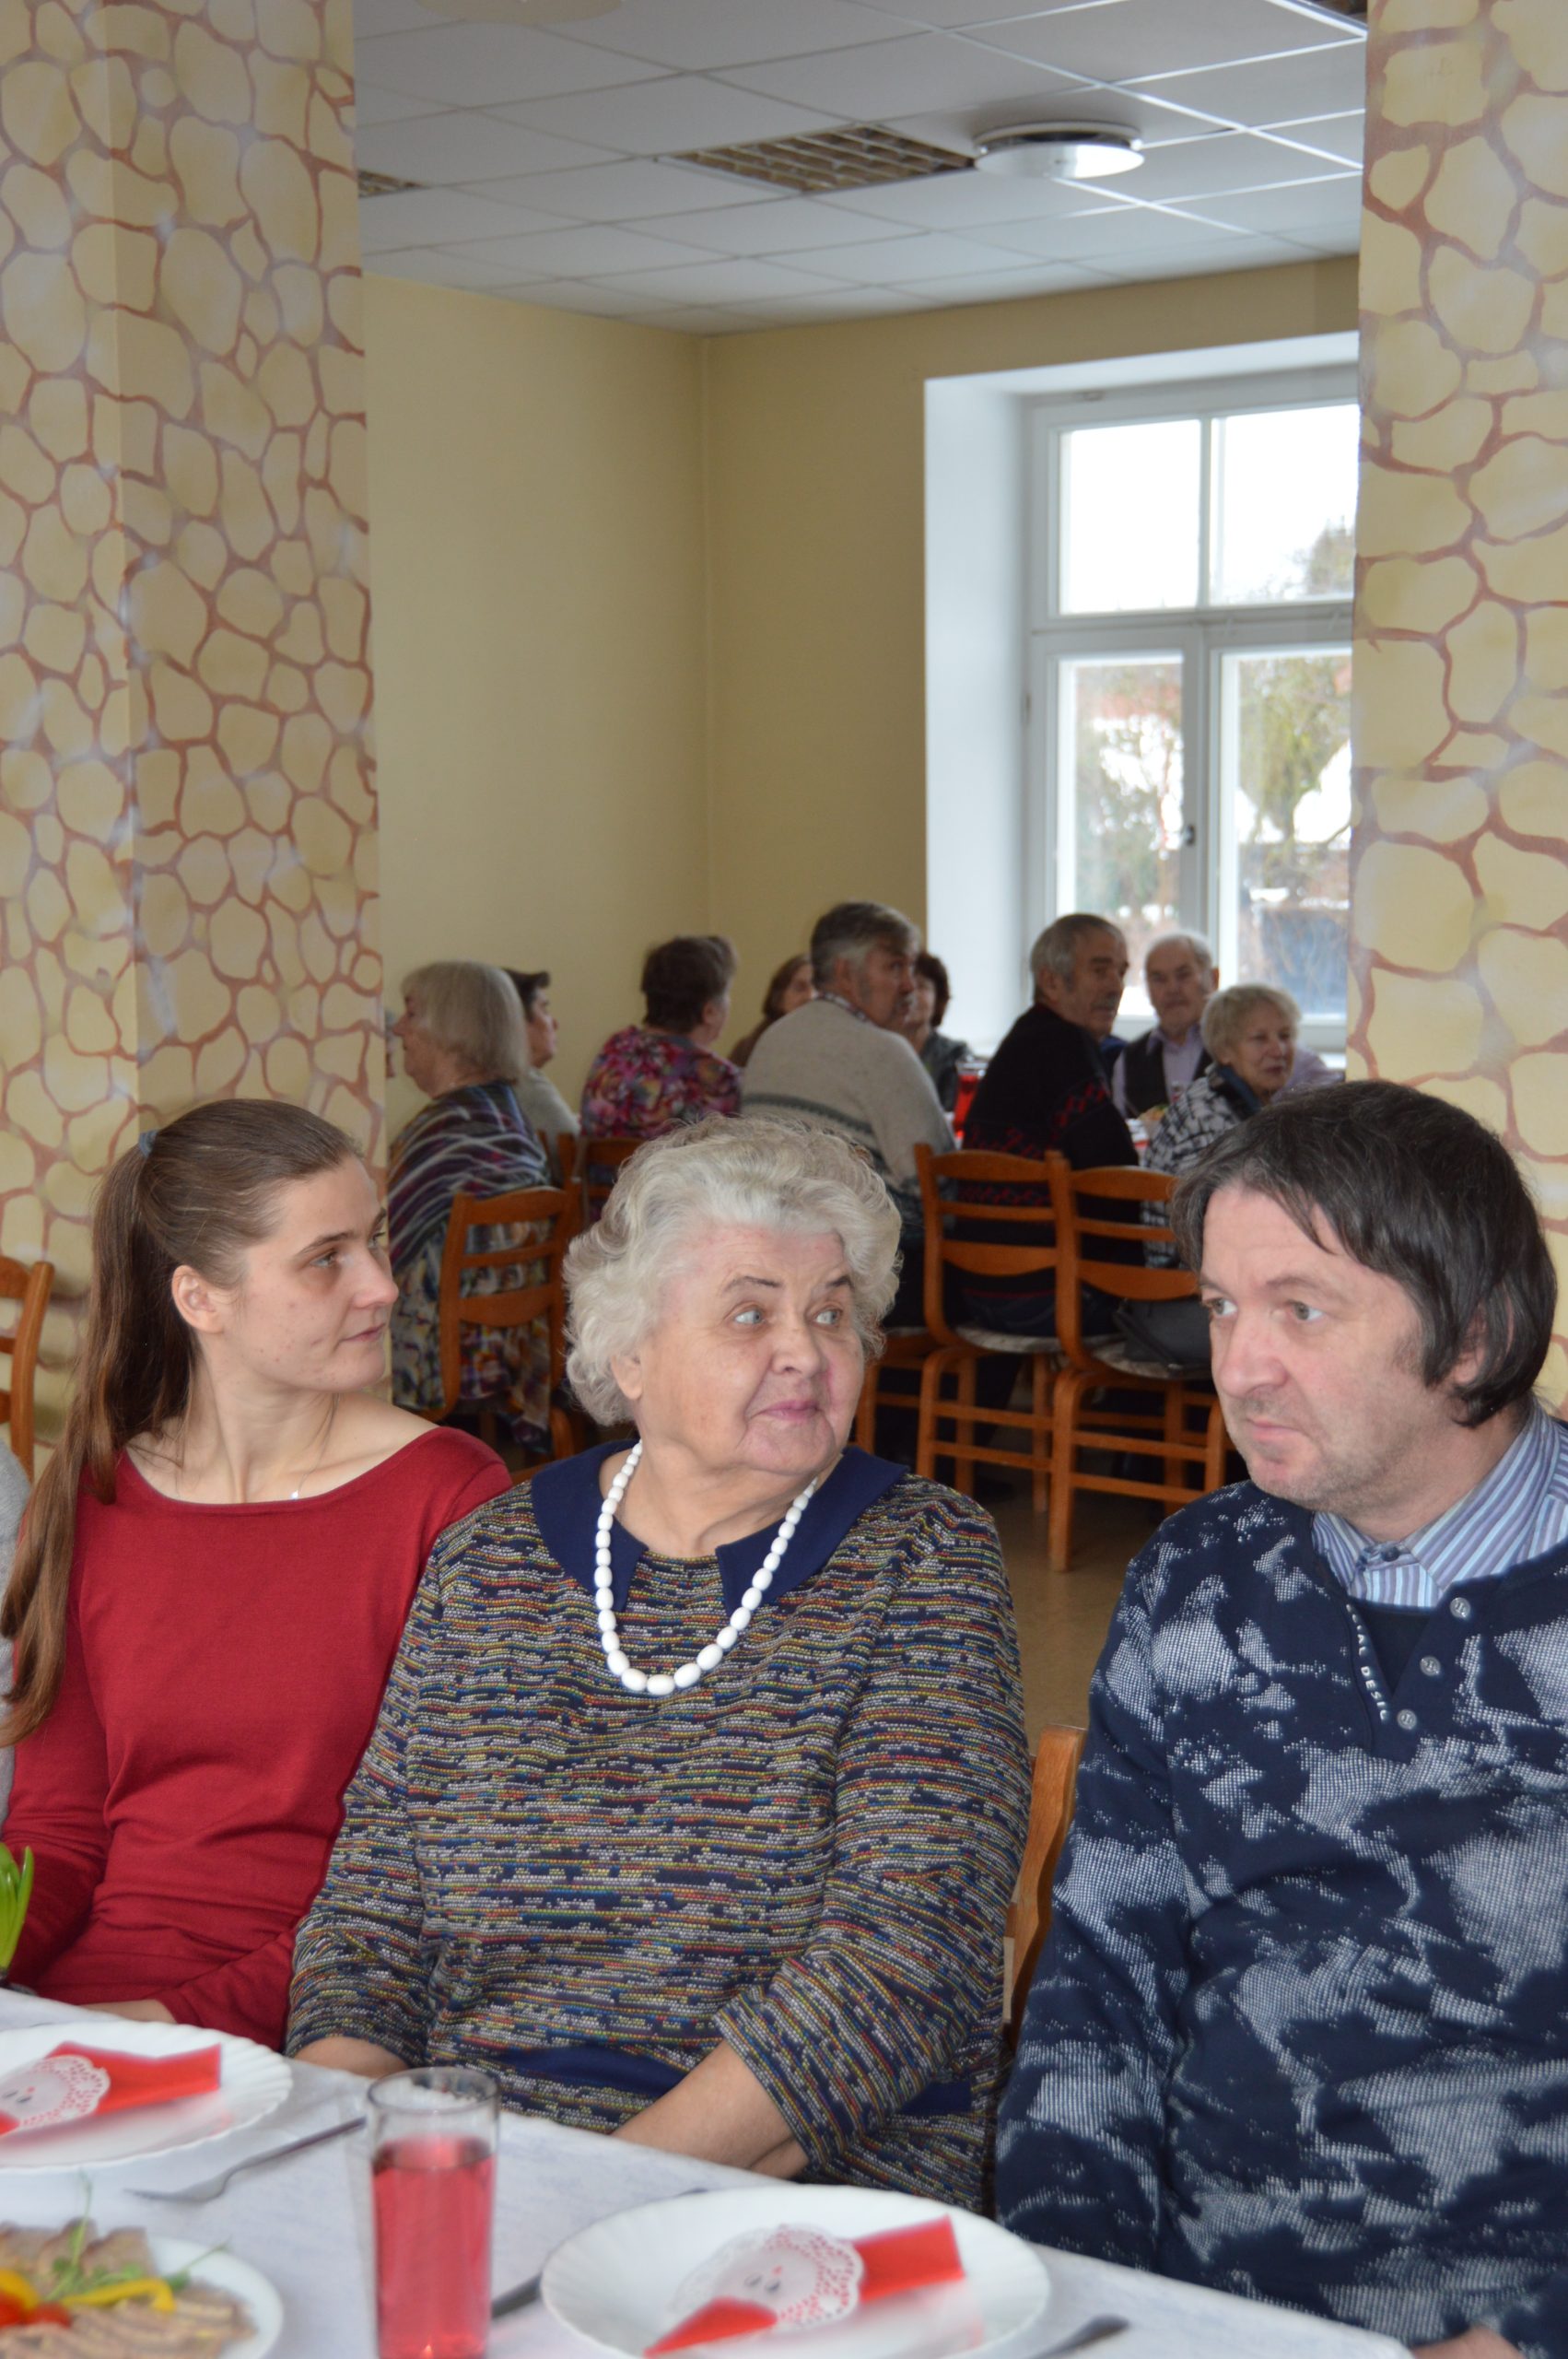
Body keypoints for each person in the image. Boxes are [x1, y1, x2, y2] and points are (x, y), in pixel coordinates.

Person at [288, 1118, 1029, 2203]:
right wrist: (354, 2150)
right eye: (750, 1313)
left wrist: (580, 2196)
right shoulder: (489, 1560)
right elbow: (372, 1915)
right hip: (479, 2155)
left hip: (789, 2187)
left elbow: (902, 1962)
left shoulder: (923, 1558)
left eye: (832, 1312)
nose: (805, 1350)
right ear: (627, 1353)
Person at [998, 1080, 1568, 2359]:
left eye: (1299, 1310)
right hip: (1195, 2301)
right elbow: (1101, 1978)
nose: (1238, 1367)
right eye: (1220, 1306)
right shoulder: (1199, 1575)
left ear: (1471, 1337)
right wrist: (1065, 2295)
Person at [0, 1103, 509, 2048]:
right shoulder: (90, 1500)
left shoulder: (448, 1499)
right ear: (200, 1299)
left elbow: (443, 1872)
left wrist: (163, 2028)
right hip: (89, 2012)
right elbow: (58, 1832)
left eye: (374, 1241)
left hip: (330, 2022)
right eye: (326, 1258)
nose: (382, 1286)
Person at [742, 904, 951, 1326]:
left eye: (910, 968)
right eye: (895, 967)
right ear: (844, 972)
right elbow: (939, 1184)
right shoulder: (883, 1051)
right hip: (872, 1281)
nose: (909, 985)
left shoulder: (772, 1039)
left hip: (778, 1263)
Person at [389, 961, 551, 1444]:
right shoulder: (505, 1115)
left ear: (451, 1027)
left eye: (411, 1013)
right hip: (515, 1350)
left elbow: (381, 1246)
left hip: (439, 1356)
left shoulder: (447, 1132)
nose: (398, 1029)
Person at [957, 914, 1137, 1334]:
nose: (1115, 985)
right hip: (1048, 1294)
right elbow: (1116, 1173)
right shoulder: (1063, 1044)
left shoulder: (1025, 1037)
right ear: (1051, 982)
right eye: (1100, 970)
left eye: (1121, 972)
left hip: (977, 1291)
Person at [580, 936, 742, 1141]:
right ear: (709, 1011)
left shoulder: (615, 1049)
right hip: (669, 1164)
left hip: (607, 1164)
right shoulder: (719, 1079)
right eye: (727, 993)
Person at [1112, 931, 1217, 1119]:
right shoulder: (1129, 1060)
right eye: (1158, 979)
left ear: (1213, 979)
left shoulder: (1243, 1048)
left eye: (1183, 975)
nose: (1172, 989)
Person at [507, 968, 579, 1182]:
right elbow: (573, 1154)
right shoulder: (524, 1081)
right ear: (518, 1022)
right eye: (544, 1009)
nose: (554, 1023)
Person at [900, 952, 972, 1117]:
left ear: (938, 998)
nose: (911, 994)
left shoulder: (956, 1056)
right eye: (904, 987)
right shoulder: (874, 1049)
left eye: (922, 986)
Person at [730, 955, 815, 1070]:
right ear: (779, 998)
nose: (811, 997)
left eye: (819, 990)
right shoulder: (749, 1049)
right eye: (800, 988)